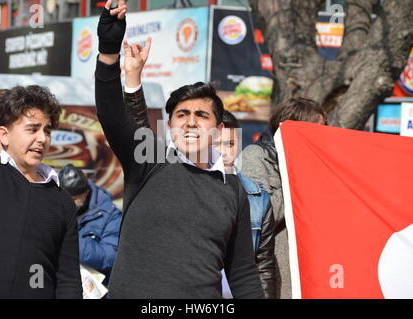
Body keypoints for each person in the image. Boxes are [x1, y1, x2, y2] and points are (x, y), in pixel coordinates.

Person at [95, 0, 263, 298]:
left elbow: (243, 275)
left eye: (201, 115)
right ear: (170, 126)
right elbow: (110, 112)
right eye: (182, 115)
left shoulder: (234, 190)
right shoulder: (148, 162)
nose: (191, 123)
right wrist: (109, 51)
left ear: (219, 129)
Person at [0, 85, 82, 298]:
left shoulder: (62, 201)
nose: (42, 138)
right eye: (32, 129)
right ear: (4, 135)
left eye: (47, 130)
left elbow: (68, 280)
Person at [240, 97, 328, 298]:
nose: (323, 135)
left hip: (318, 271)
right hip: (281, 275)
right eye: (317, 129)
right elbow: (259, 214)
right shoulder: (257, 156)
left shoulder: (320, 163)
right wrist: (297, 175)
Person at [217, 110, 276, 298]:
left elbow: (264, 266)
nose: (223, 151)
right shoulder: (188, 190)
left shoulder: (259, 198)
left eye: (230, 144)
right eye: (216, 144)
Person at [58, 164, 122, 282]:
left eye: (73, 200)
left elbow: (110, 257)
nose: (67, 204)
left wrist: (72, 241)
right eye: (64, 199)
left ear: (86, 193)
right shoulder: (54, 206)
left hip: (93, 285)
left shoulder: (111, 216)